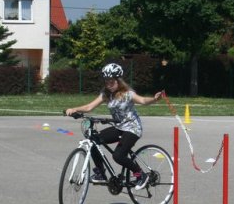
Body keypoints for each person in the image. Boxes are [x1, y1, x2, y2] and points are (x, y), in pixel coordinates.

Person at [65, 63, 163, 191]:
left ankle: (141, 175)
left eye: (111, 81)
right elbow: (89, 107)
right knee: (94, 140)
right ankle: (101, 173)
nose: (108, 84)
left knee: (118, 156)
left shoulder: (128, 93)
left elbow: (143, 101)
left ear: (119, 80)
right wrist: (74, 109)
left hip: (132, 129)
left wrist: (155, 99)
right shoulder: (106, 94)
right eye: (106, 81)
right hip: (119, 127)